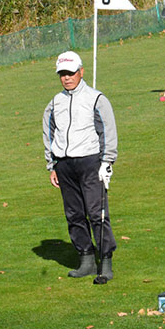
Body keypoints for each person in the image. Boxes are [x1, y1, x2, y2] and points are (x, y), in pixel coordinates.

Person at [42, 51, 118, 284]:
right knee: (74, 214)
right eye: (62, 74)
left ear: (81, 71)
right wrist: (52, 165)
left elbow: (108, 131)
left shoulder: (97, 99)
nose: (66, 78)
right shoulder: (55, 103)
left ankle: (105, 262)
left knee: (97, 213)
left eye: (71, 73)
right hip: (64, 164)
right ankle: (85, 258)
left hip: (90, 162)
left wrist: (107, 162)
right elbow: (49, 134)